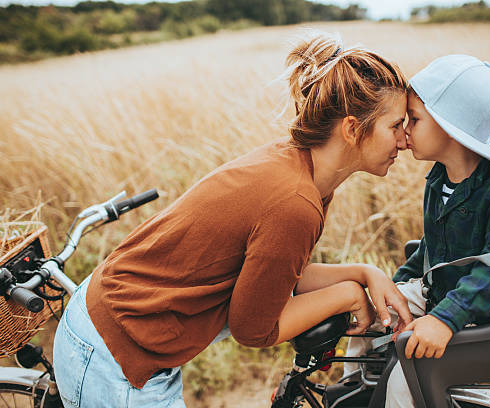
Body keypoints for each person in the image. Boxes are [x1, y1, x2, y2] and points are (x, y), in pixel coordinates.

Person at [52, 31, 414, 408]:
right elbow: (254, 328)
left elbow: (273, 277)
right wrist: (346, 294)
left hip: (116, 325)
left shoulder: (301, 171)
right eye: (394, 126)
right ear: (353, 129)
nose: (404, 141)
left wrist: (363, 273)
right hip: (117, 354)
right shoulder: (295, 202)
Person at [344, 54, 490, 408]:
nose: (404, 133)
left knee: (410, 372)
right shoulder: (439, 179)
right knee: (373, 310)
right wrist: (396, 289)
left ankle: (392, 396)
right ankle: (355, 392)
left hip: (480, 315)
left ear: (450, 126)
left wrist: (445, 319)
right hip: (440, 295)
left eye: (413, 120)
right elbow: (431, 249)